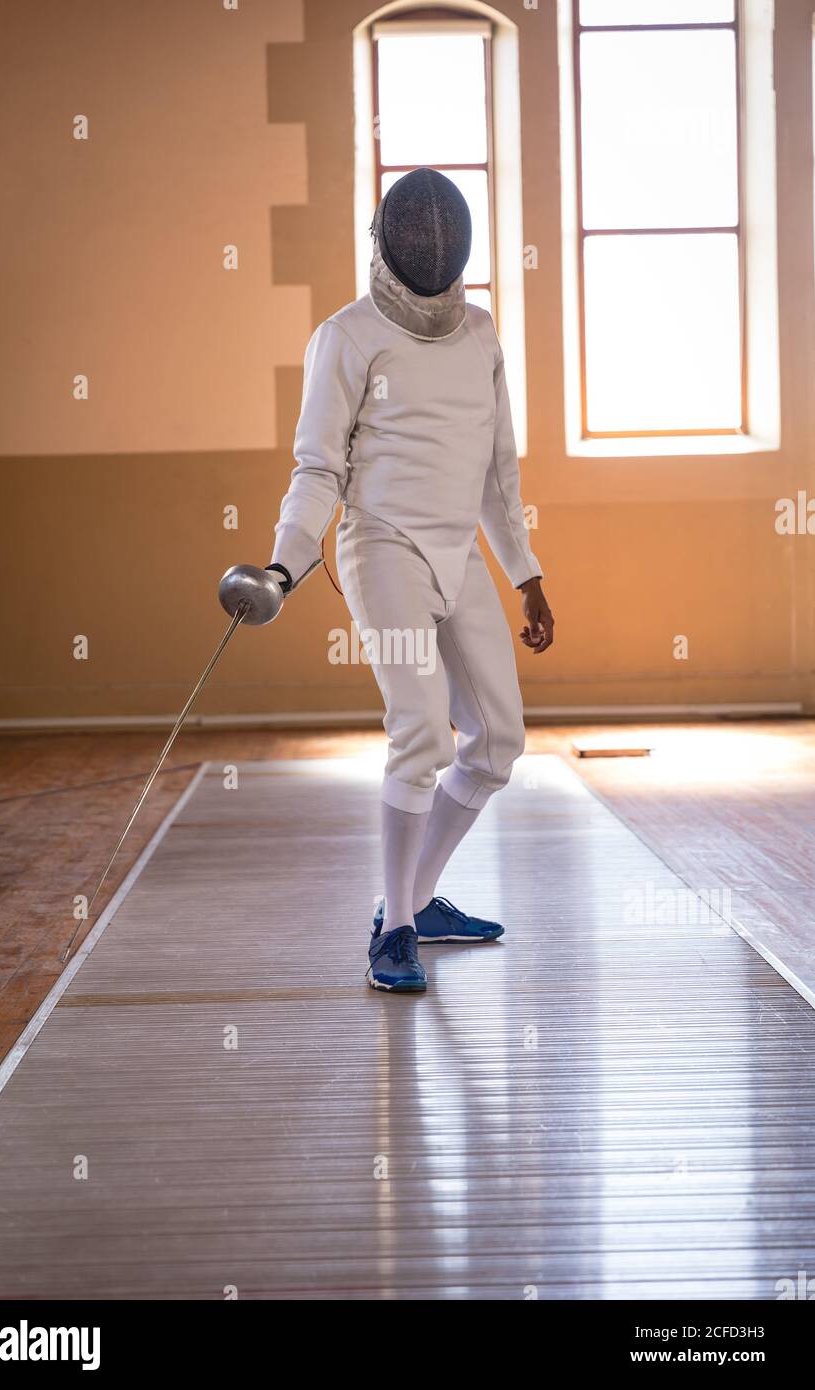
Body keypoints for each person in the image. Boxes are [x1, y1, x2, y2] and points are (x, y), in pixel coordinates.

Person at [264, 168, 554, 993]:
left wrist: (527, 573)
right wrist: (287, 561)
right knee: (423, 731)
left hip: (458, 552)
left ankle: (415, 901)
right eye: (416, 236)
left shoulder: (482, 334)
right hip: (382, 548)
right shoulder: (347, 337)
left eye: (442, 236)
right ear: (387, 244)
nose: (430, 247)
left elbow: (500, 473)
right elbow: (317, 467)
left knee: (497, 740)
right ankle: (392, 930)